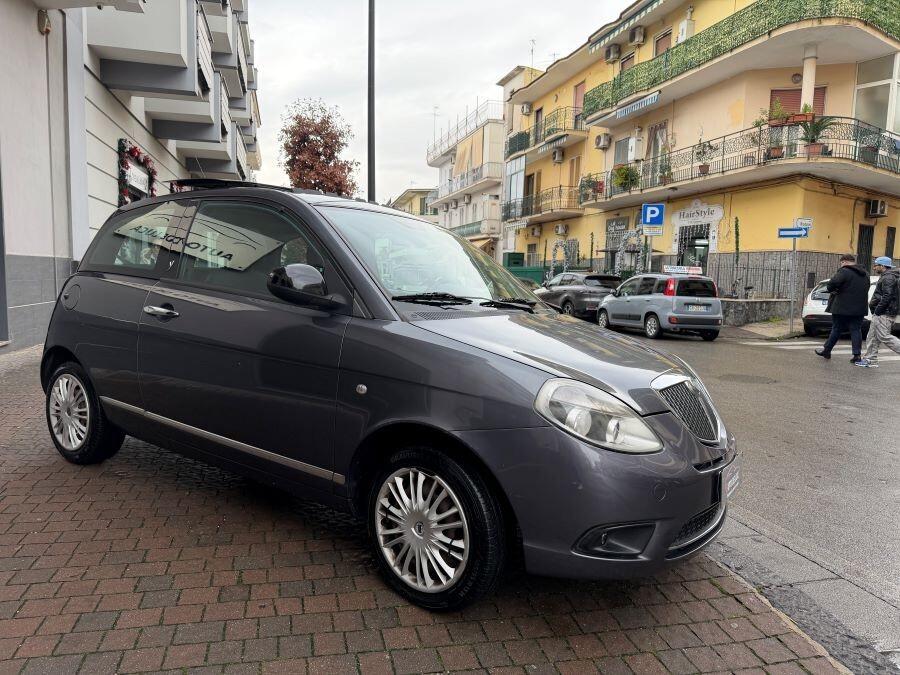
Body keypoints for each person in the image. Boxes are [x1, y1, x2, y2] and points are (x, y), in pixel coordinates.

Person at [815, 253, 869, 363]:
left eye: (841, 263)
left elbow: (831, 284)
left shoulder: (844, 271)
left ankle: (827, 350)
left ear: (844, 262)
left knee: (836, 329)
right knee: (856, 330)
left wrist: (834, 290)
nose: (841, 265)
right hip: (859, 308)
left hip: (842, 307)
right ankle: (857, 355)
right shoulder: (865, 274)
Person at [856, 256, 900, 368]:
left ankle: (870, 359)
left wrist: (878, 310)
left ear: (883, 266)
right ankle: (870, 359)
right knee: (872, 336)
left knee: (884, 336)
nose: (874, 267)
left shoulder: (888, 277)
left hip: (884, 312)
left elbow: (887, 296)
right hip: (881, 312)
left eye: (876, 265)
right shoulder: (886, 276)